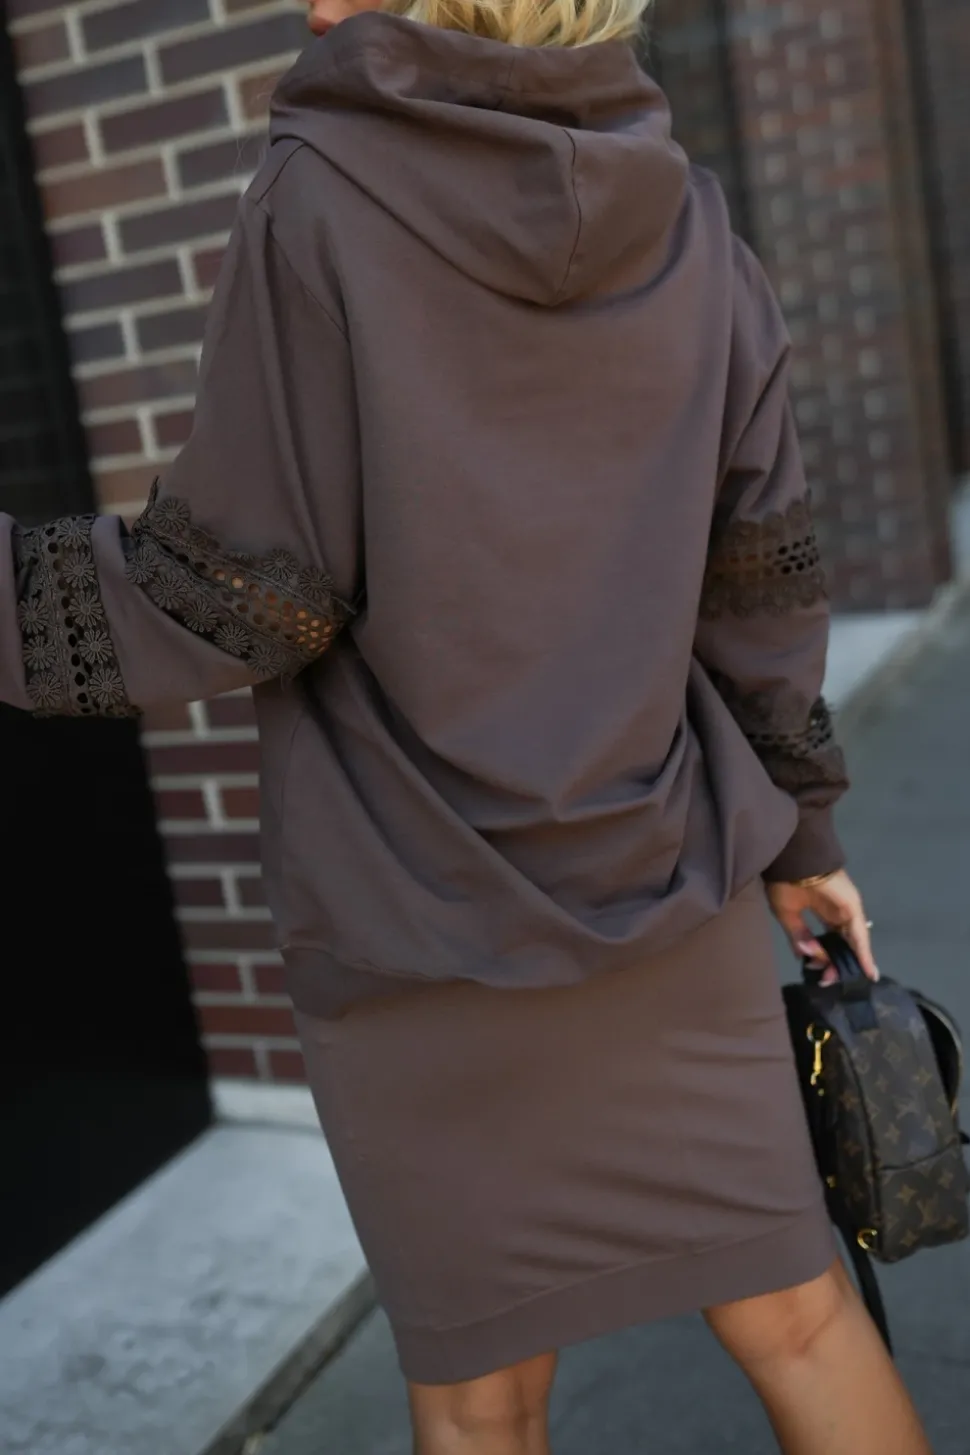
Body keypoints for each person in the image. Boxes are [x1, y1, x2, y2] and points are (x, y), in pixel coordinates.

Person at [0, 0, 933, 1450]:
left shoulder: (318, 198)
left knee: (479, 1399)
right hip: (664, 886)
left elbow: (237, 598)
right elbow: (757, 582)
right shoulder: (690, 219)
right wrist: (802, 838)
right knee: (801, 1321)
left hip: (412, 920)